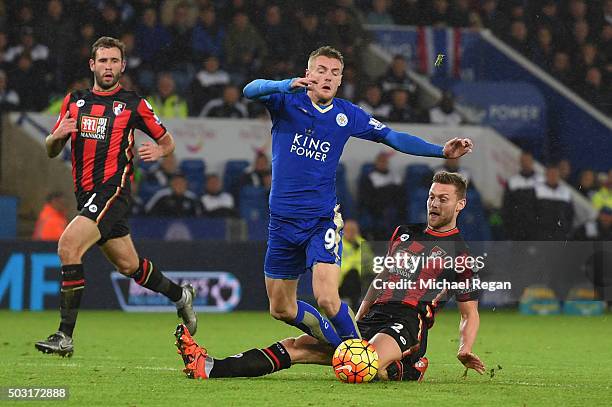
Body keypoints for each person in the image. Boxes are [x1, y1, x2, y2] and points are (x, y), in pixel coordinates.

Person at [240, 46, 473, 350]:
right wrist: (284, 84)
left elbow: (392, 136)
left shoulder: (346, 114)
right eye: (321, 70)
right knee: (280, 308)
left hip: (319, 219)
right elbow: (249, 89)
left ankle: (357, 351)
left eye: (334, 73)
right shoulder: (286, 100)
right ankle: (348, 346)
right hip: (282, 222)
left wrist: (440, 151)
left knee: (326, 297)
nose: (327, 77)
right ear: (308, 73)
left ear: (339, 82)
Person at [174, 171, 484, 381]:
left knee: (362, 363)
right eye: (432, 196)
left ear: (460, 204)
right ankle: (211, 367)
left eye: (443, 199)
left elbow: (469, 313)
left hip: (407, 323)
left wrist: (463, 348)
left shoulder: (460, 252)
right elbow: (380, 281)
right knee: (296, 346)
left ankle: (408, 366)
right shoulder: (405, 233)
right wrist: (355, 321)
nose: (434, 203)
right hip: (372, 318)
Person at [35, 37, 197, 357]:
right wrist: (57, 136)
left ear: (122, 66)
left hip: (113, 191)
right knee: (129, 266)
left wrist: (159, 150)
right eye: (103, 61)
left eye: (114, 61)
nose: (108, 67)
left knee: (68, 245)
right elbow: (51, 149)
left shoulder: (133, 103)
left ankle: (64, 335)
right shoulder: (75, 101)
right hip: (86, 195)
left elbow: (168, 141)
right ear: (92, 65)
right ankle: (181, 296)